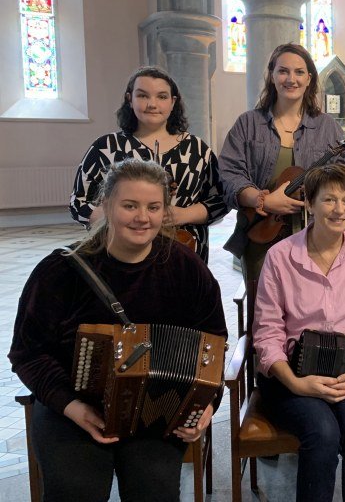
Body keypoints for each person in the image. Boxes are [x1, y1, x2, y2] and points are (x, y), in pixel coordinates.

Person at [9, 158, 228, 501]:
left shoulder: (187, 268)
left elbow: (214, 342)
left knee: (153, 489)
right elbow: (28, 353)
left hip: (155, 411)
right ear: (106, 206)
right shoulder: (59, 271)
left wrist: (206, 404)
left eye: (154, 207)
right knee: (76, 490)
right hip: (74, 408)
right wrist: (71, 406)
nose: (143, 217)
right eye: (130, 205)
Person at [252, 164, 345, 502]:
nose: (339, 210)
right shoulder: (280, 257)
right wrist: (297, 383)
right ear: (309, 203)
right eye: (328, 200)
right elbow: (267, 335)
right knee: (323, 434)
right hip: (290, 375)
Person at [218, 43, 345, 290]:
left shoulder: (327, 127)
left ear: (309, 79)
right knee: (263, 308)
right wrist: (261, 200)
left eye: (299, 72)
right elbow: (229, 173)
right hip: (260, 232)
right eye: (283, 71)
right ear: (272, 75)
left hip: (316, 233)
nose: (291, 79)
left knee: (310, 302)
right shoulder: (248, 123)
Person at [69, 66, 227, 263]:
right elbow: (78, 203)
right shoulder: (105, 147)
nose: (152, 104)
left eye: (162, 96)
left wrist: (184, 214)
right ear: (130, 99)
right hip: (120, 252)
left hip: (186, 249)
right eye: (142, 96)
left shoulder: (197, 149)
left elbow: (221, 198)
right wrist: (118, 218)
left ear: (173, 102)